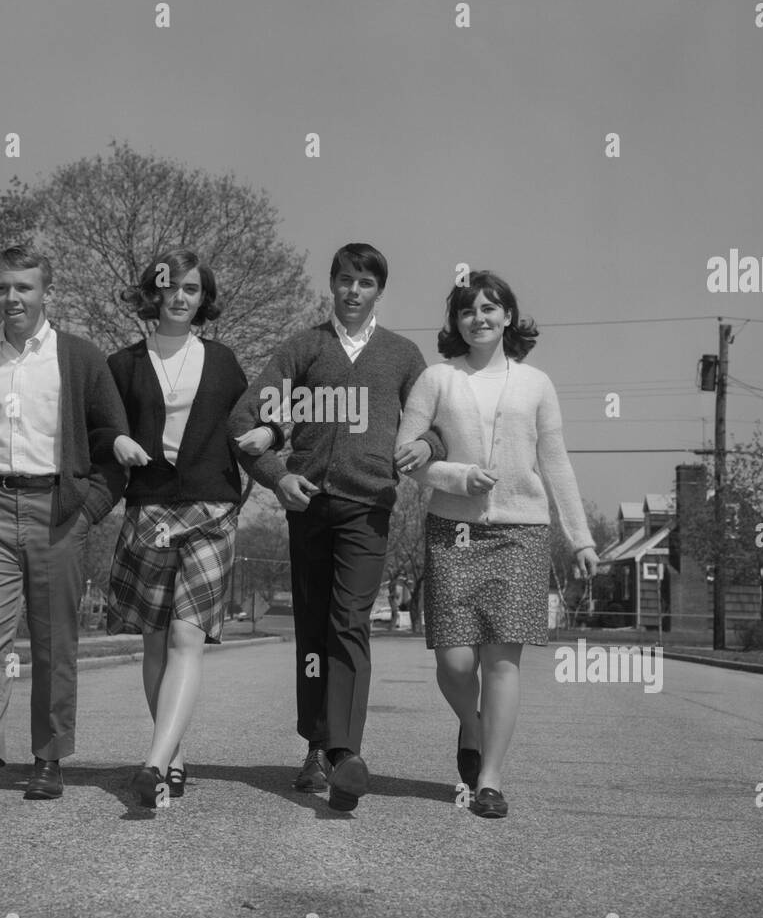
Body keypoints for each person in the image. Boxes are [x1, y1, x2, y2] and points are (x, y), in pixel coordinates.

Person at [228, 243, 445, 812]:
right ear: (331, 283)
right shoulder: (303, 349)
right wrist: (276, 477)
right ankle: (315, 745)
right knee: (314, 634)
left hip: (368, 508)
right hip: (308, 507)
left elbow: (440, 424)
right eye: (345, 280)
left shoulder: (402, 356)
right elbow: (245, 420)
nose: (354, 291)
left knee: (349, 623)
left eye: (365, 283)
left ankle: (344, 755)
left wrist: (424, 443)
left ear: (379, 292)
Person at [0, 246, 129, 814]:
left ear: (45, 293)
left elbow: (115, 443)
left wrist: (87, 510)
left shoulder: (82, 358)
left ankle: (48, 757)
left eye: (24, 288)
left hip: (57, 510)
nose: (12, 298)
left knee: (54, 641)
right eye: (2, 288)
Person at [397, 270, 599, 819]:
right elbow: (406, 456)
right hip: (453, 531)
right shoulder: (436, 380)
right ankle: (473, 723)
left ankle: (490, 777)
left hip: (521, 532)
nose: (479, 318)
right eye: (467, 310)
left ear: (509, 316)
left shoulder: (537, 385)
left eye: (490, 308)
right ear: (456, 322)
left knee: (502, 661)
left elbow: (555, 464)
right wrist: (458, 478)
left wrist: (579, 537)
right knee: (455, 661)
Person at [106, 249, 280, 808]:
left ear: (204, 299)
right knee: (155, 640)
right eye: (170, 287)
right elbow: (98, 431)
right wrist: (115, 440)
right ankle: (172, 754)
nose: (179, 297)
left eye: (191, 289)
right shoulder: (123, 365)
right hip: (149, 509)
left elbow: (259, 420)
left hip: (211, 510)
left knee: (188, 636)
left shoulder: (224, 362)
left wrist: (270, 438)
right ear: (152, 292)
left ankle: (153, 763)